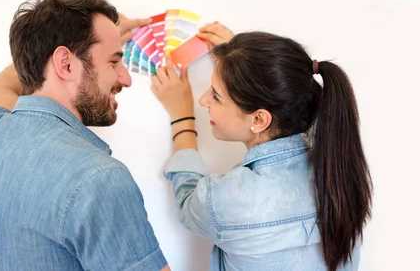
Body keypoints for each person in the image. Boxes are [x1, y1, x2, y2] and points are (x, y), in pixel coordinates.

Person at [0, 0, 171, 271]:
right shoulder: (100, 180)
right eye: (114, 61)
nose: (126, 78)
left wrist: (44, 49)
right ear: (65, 63)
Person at [151, 22, 373, 271]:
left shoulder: (224, 197)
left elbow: (187, 203)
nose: (203, 100)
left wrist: (181, 114)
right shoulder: (340, 171)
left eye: (215, 95)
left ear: (259, 119)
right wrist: (242, 66)